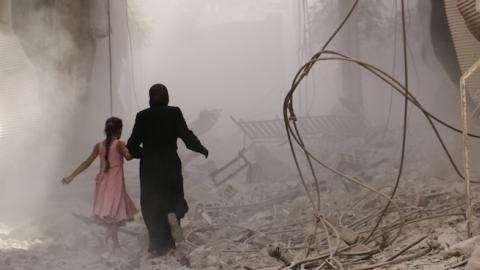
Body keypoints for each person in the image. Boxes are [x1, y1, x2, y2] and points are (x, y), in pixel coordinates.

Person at [127, 83, 208, 258]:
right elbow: (186, 136)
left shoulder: (142, 116)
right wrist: (201, 148)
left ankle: (158, 244)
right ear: (167, 97)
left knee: (151, 204)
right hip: (170, 162)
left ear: (150, 98)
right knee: (172, 197)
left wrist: (146, 154)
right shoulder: (174, 112)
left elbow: (132, 146)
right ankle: (173, 218)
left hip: (149, 168)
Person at [62, 117, 138, 250]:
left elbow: (86, 163)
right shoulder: (120, 144)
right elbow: (128, 157)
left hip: (102, 183)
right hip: (116, 184)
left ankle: (116, 244)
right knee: (118, 214)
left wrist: (71, 177)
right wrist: (136, 148)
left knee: (111, 214)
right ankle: (106, 236)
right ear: (119, 130)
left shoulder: (99, 145)